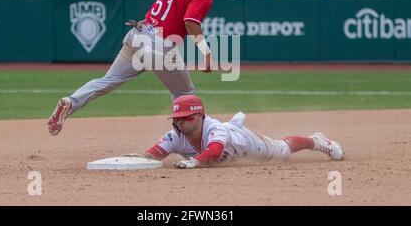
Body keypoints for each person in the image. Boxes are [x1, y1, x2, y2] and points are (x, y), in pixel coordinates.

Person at [48, 0, 228, 136]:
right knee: (185, 95)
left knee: (109, 80)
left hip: (139, 33)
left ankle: (71, 102)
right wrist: (207, 54)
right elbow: (191, 22)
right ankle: (190, 143)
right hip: (159, 45)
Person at [132, 95, 344, 169]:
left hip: (244, 142)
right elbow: (153, 154)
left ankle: (316, 141)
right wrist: (134, 159)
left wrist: (194, 161)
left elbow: (214, 151)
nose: (180, 123)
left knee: (282, 150)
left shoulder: (214, 129)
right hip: (225, 154)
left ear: (199, 116)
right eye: (177, 119)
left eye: (186, 117)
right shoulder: (174, 136)